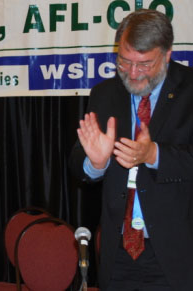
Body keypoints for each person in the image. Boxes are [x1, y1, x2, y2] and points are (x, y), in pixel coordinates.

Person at [69, 9, 193, 290]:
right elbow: (78, 160)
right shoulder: (105, 93)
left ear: (167, 54)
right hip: (119, 254)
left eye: (144, 64)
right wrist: (95, 163)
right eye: (124, 61)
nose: (133, 73)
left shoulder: (189, 90)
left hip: (177, 254)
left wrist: (154, 155)